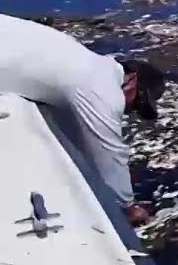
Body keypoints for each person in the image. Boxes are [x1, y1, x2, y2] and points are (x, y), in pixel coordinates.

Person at [0, 13, 165, 226]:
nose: (129, 111)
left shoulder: (83, 59)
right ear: (131, 79)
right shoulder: (101, 87)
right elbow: (110, 155)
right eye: (137, 103)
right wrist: (129, 208)